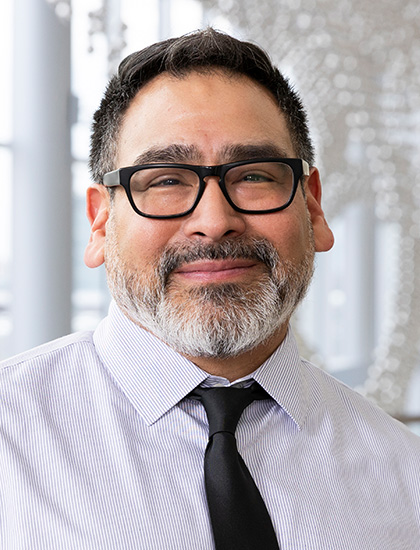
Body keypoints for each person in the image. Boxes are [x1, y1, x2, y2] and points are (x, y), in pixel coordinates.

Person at [1, 28, 419, 550]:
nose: (215, 221)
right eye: (165, 180)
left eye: (254, 176)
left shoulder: (406, 476)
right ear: (101, 222)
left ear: (313, 208)